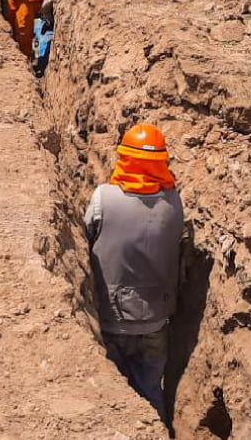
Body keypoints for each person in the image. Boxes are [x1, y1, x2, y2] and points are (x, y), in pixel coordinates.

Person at [84, 124, 184, 419]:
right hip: (156, 319)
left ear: (124, 159)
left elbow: (84, 239)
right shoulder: (173, 202)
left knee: (115, 398)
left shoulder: (104, 198)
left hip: (111, 317)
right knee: (151, 388)